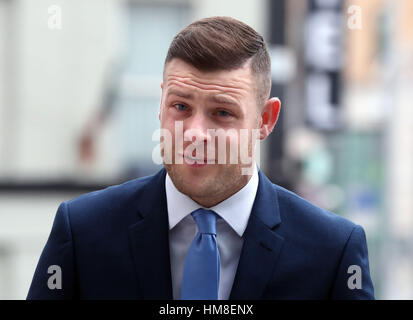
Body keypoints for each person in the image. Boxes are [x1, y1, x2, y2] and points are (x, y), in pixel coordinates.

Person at [27, 16, 374, 300]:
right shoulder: (84, 232)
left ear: (265, 120)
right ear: (161, 104)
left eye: (222, 113)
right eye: (180, 107)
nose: (194, 133)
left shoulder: (332, 251)